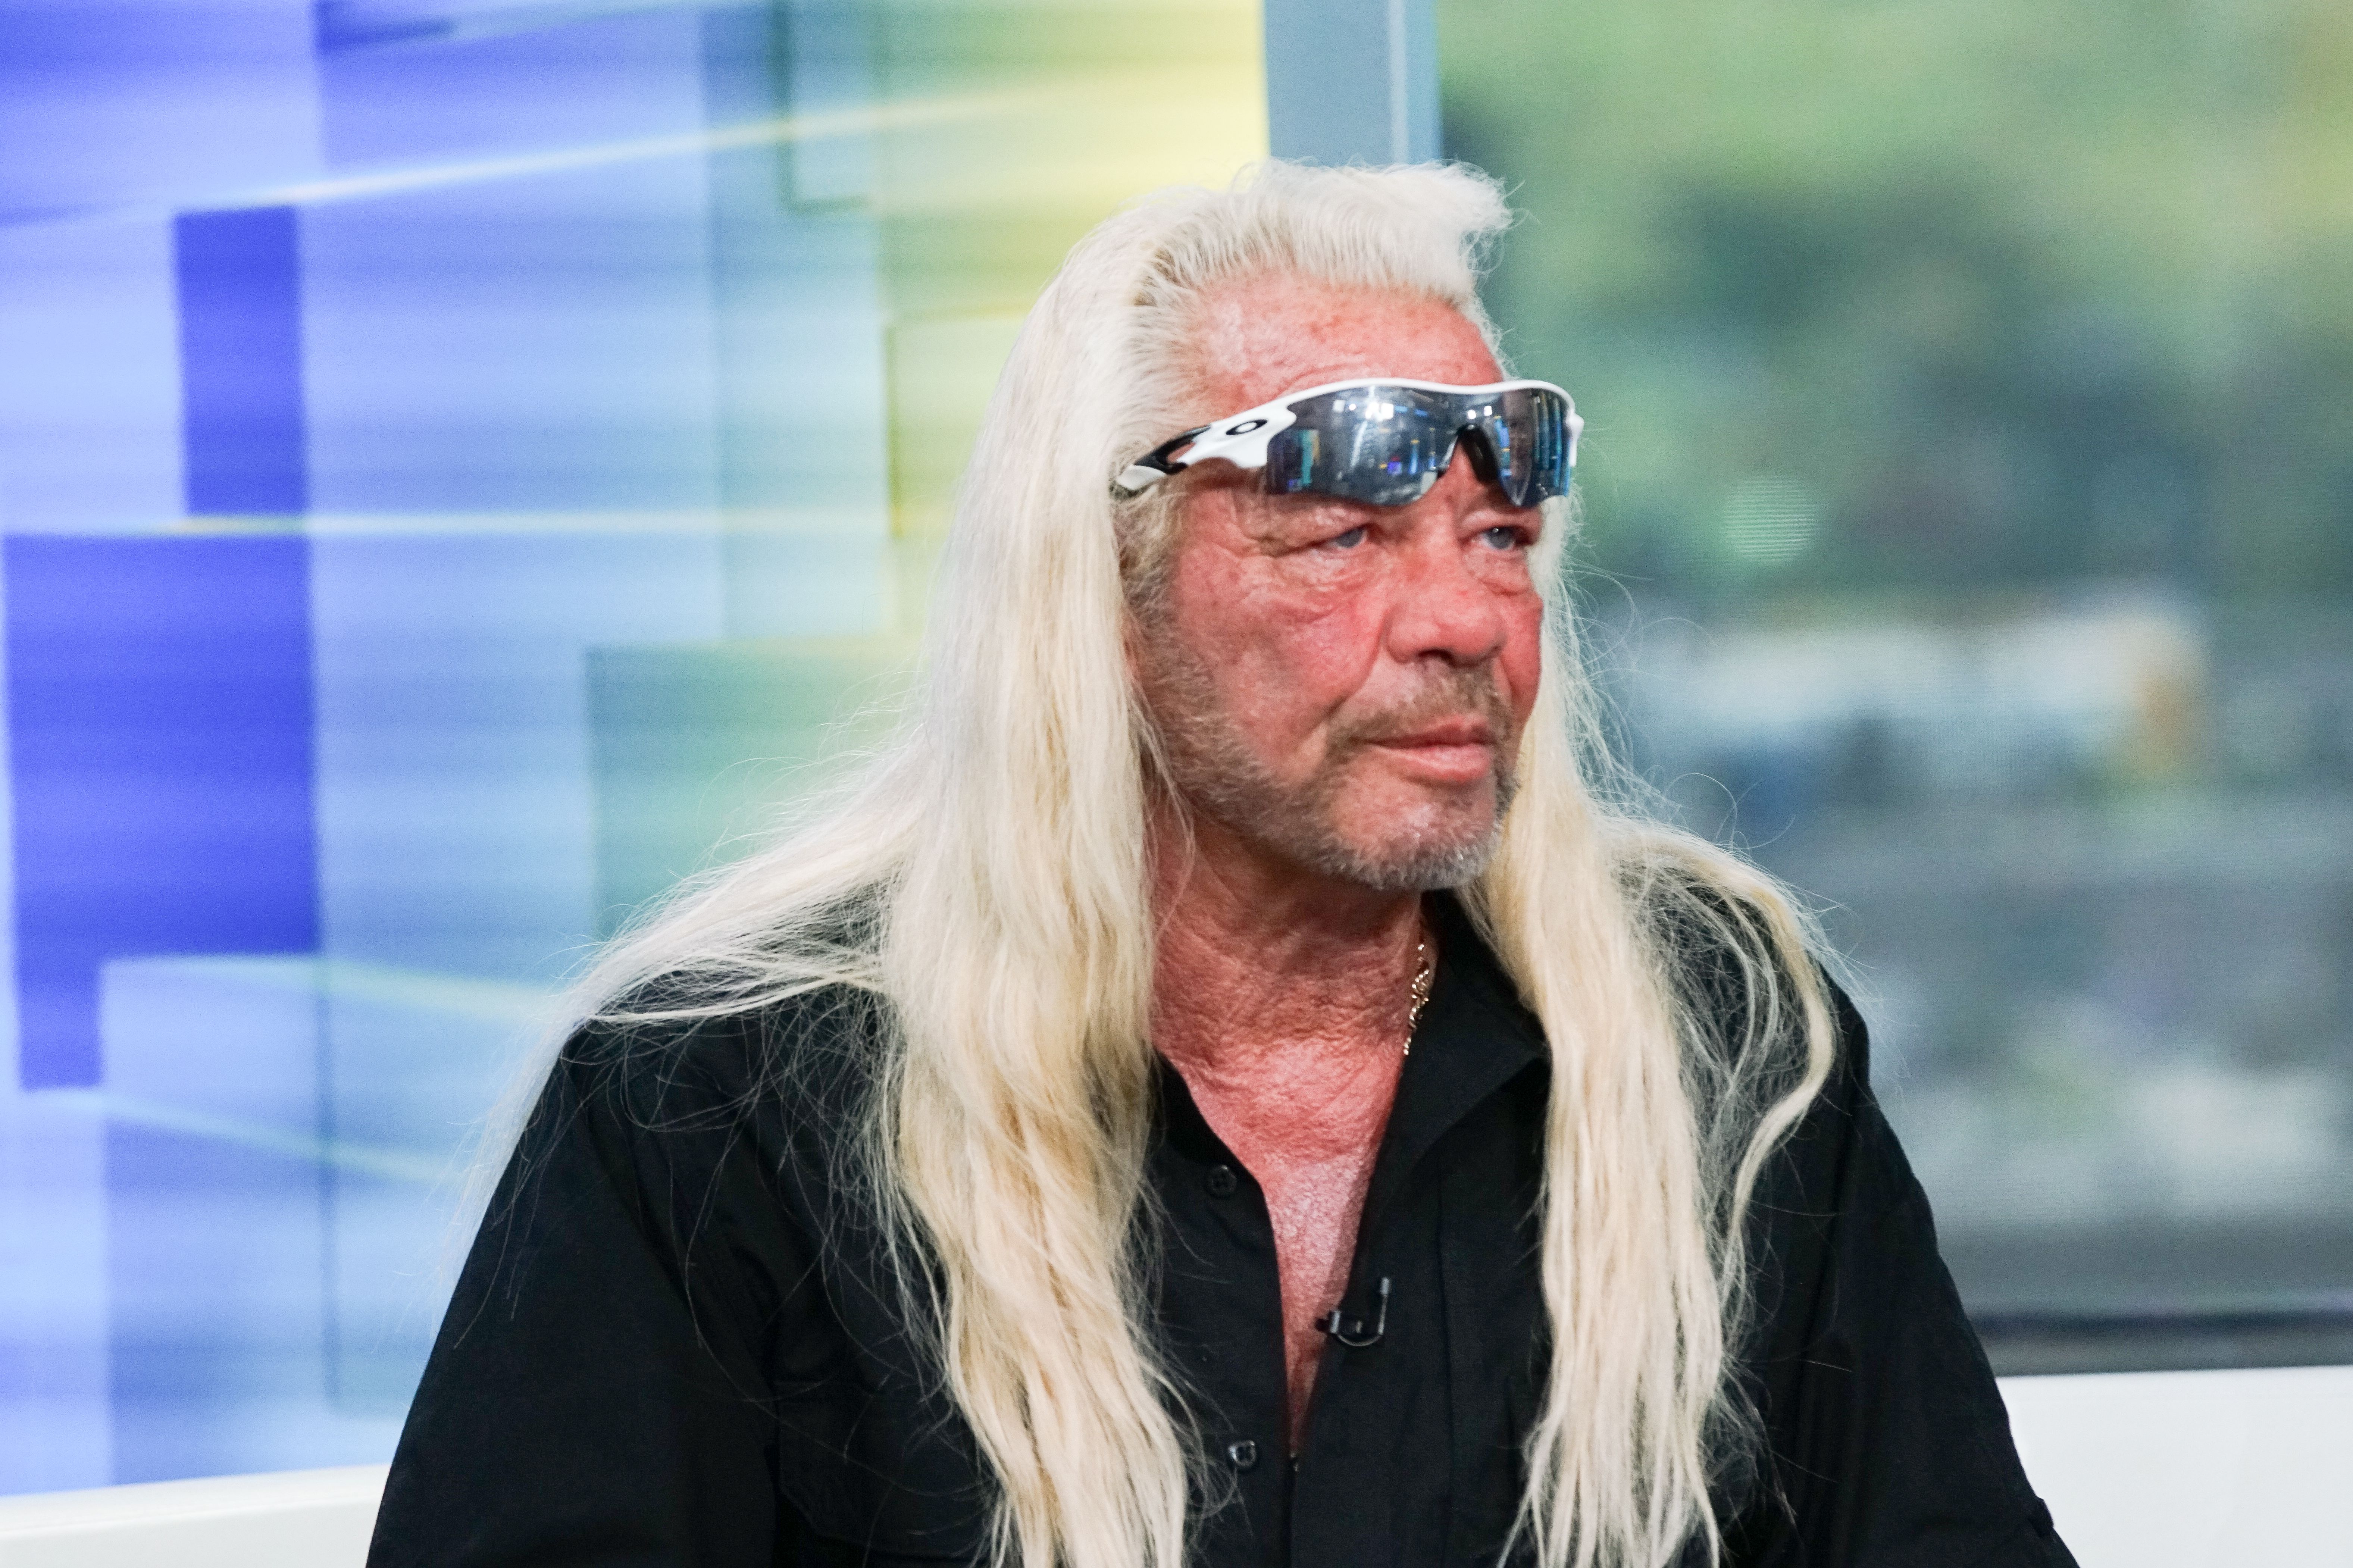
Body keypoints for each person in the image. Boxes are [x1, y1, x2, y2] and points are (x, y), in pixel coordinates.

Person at [367, 162, 2074, 1568]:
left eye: (1499, 535)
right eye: (1341, 536)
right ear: (1097, 596)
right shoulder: (722, 1096)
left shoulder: (1719, 1037)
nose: (1464, 618)